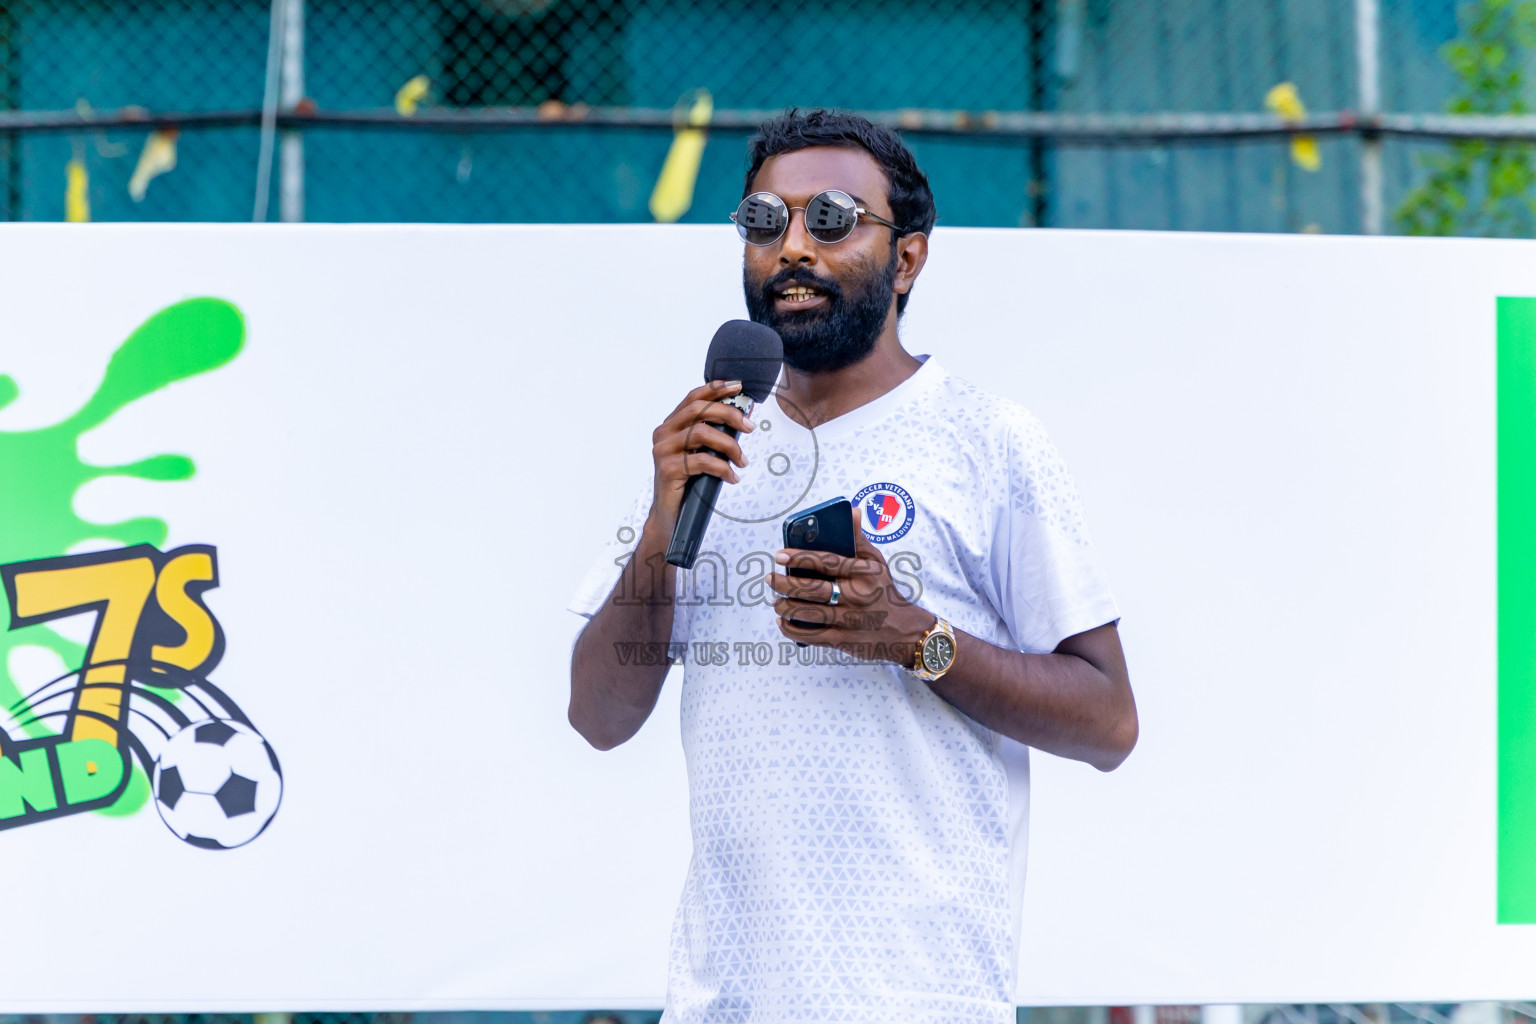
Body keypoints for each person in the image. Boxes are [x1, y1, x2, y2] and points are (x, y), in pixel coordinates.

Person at [567, 108, 1137, 1024]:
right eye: (763, 222)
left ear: (907, 258)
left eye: (829, 220)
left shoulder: (988, 441)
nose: (791, 246)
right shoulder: (707, 447)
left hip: (919, 997)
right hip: (724, 1003)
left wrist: (915, 639)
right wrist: (657, 531)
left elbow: (1108, 721)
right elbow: (597, 715)